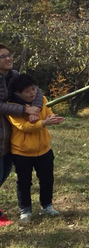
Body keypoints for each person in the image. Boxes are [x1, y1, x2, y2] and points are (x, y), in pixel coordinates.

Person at [6, 74, 64, 223]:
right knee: (24, 182)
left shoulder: (42, 100)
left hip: (44, 149)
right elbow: (23, 127)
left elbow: (47, 113)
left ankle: (47, 205)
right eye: (27, 91)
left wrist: (53, 119)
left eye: (33, 89)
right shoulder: (13, 107)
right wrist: (43, 123)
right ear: (18, 93)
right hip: (22, 152)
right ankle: (25, 210)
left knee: (47, 179)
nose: (32, 93)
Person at [0, 44, 42, 225]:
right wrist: (25, 109)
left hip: (11, 136)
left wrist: (36, 108)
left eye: (8, 55)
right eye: (2, 57)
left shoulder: (15, 76)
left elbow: (37, 91)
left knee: (4, 173)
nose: (8, 58)